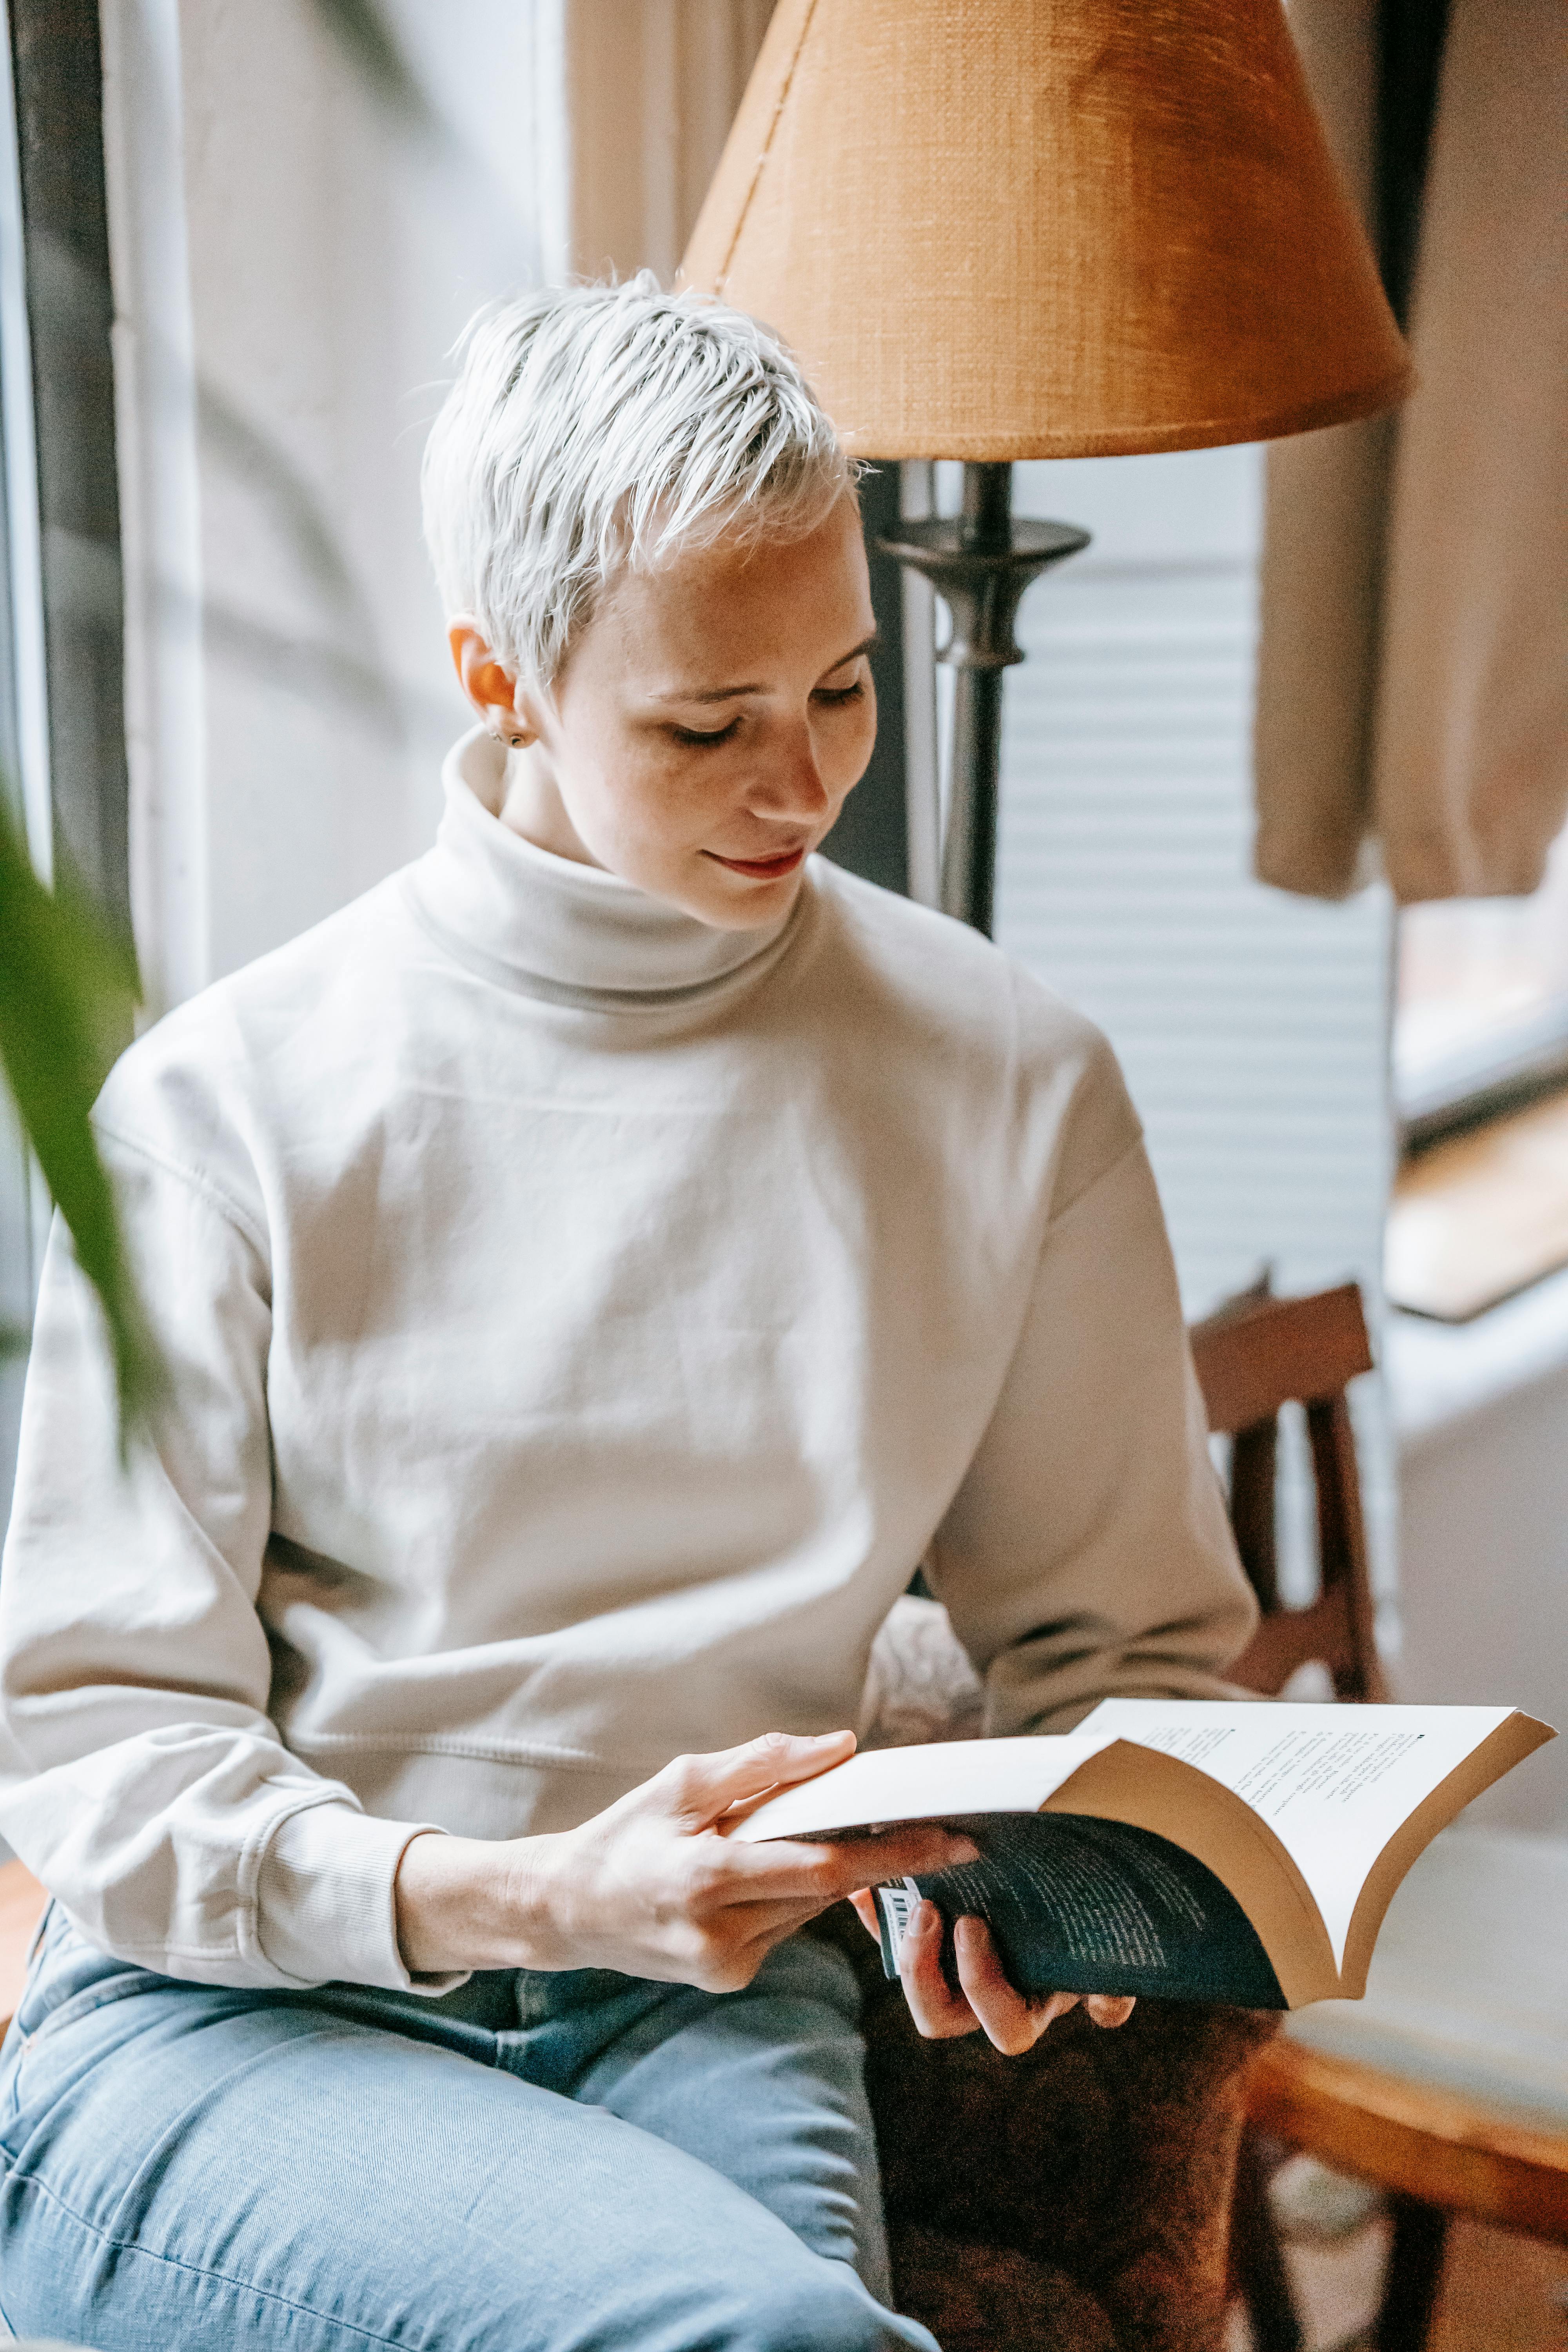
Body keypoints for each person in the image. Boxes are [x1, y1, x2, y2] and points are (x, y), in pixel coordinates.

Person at [0, 276, 1255, 2351]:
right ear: (499, 676)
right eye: (705, 724)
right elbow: (96, 1752)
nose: (805, 784)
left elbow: (1130, 1655)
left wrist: (1074, 1870)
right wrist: (543, 1895)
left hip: (712, 2002)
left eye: (845, 690)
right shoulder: (232, 1107)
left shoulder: (1009, 1083)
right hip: (231, 2031)